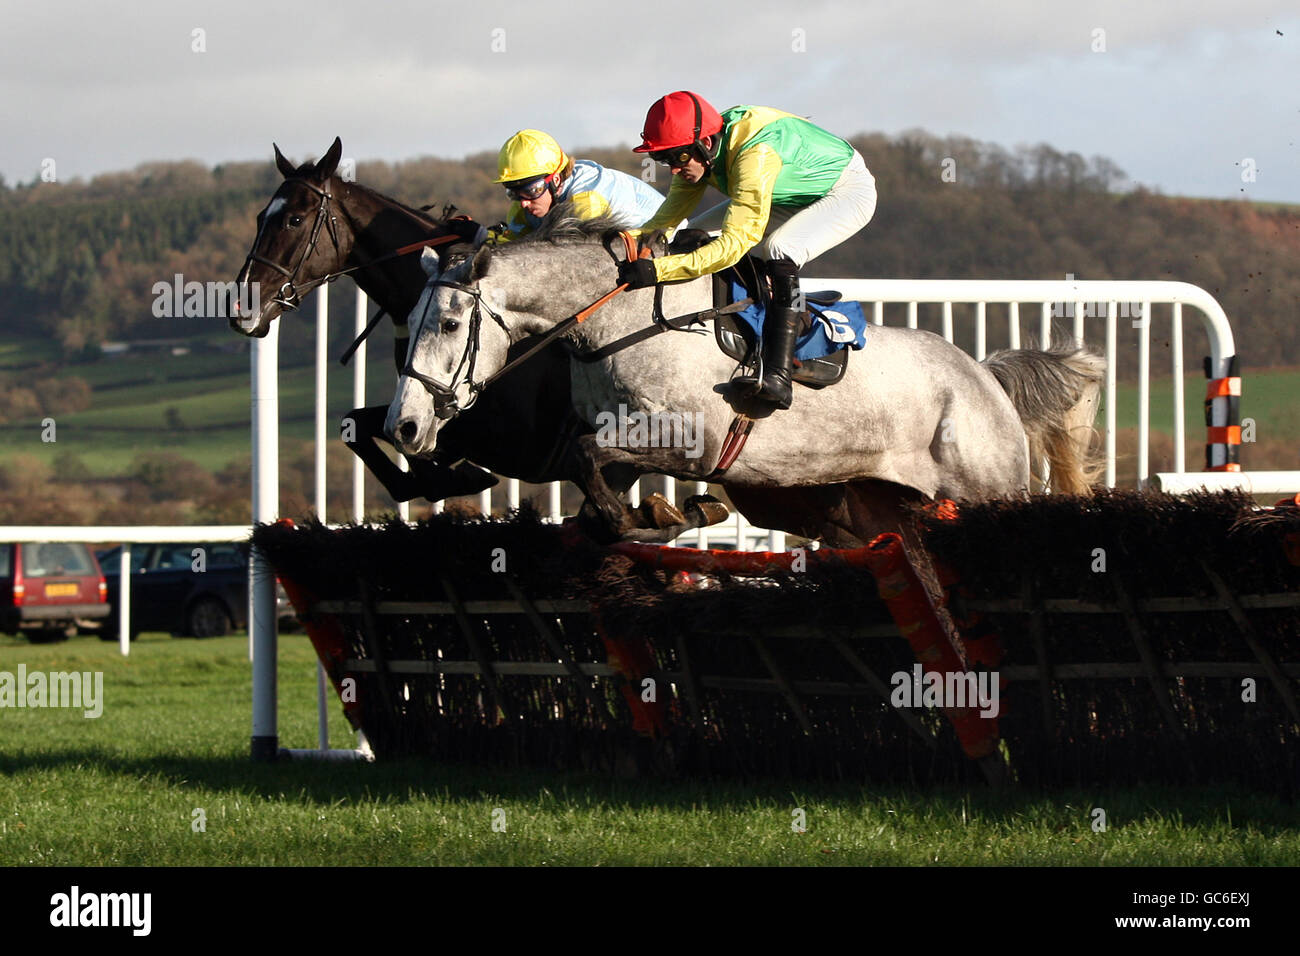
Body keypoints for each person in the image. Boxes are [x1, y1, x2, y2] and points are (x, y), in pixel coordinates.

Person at [616, 91, 877, 409]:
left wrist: (658, 271)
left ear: (706, 145)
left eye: (679, 157)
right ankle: (747, 330)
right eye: (663, 159)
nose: (672, 168)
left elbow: (733, 245)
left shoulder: (755, 157)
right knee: (691, 235)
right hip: (788, 193)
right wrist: (626, 243)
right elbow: (664, 223)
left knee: (780, 250)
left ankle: (779, 376)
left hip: (845, 191)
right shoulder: (697, 150)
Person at [491, 129, 665, 241]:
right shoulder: (527, 205)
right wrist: (480, 237)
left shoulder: (588, 199)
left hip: (671, 244)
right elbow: (514, 247)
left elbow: (563, 254)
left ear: (556, 180)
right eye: (514, 193)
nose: (524, 203)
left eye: (532, 190)